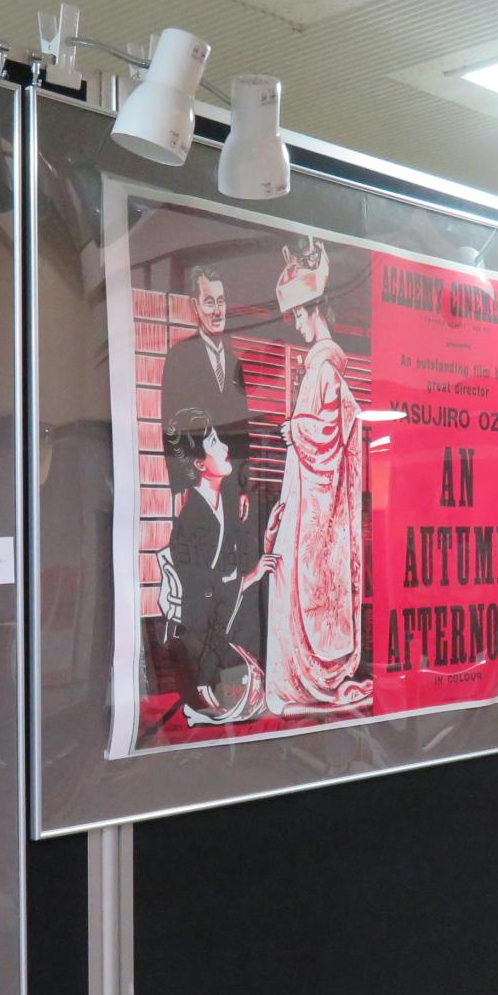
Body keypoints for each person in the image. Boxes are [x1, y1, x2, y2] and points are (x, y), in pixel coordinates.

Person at [263, 238, 372, 716]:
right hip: (309, 496)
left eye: (299, 316)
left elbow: (322, 436)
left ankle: (302, 680)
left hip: (311, 501)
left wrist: (293, 429)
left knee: (294, 581)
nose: (297, 325)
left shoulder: (322, 371)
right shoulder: (324, 370)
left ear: (314, 311)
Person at [161, 265, 258, 658]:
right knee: (201, 567)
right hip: (199, 482)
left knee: (232, 561)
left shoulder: (235, 362)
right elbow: (171, 428)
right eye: (209, 302)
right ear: (194, 307)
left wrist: (245, 485)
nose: (217, 310)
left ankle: (229, 653)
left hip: (230, 483)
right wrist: (183, 484)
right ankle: (198, 656)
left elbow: (243, 431)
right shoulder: (180, 357)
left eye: (221, 301)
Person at [163, 408, 278, 725]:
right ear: (199, 464)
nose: (226, 447)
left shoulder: (230, 502)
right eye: (215, 443)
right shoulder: (190, 519)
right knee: (241, 695)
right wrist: (250, 577)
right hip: (206, 625)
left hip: (232, 613)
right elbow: (201, 586)